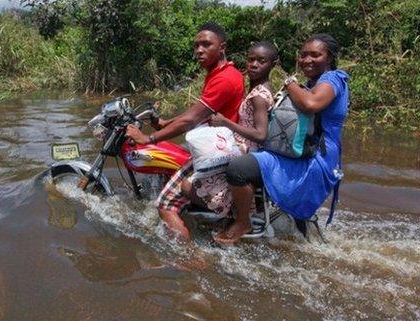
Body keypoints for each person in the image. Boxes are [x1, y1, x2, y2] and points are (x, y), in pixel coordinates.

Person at [216, 33, 349, 245]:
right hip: (303, 150)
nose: (307, 60)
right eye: (304, 55)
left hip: (316, 158)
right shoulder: (314, 81)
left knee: (238, 168)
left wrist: (290, 84)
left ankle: (242, 222)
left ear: (330, 58)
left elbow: (311, 104)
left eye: (315, 55)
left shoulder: (333, 79)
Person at [126, 22, 244, 241]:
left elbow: (191, 120)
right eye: (197, 45)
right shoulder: (219, 72)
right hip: (215, 142)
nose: (199, 50)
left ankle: (188, 260)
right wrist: (166, 122)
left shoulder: (224, 78)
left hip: (218, 149)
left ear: (222, 47)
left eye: (206, 44)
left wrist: (148, 138)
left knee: (165, 204)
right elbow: (199, 113)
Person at [181, 41, 278, 217]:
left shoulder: (259, 96)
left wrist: (226, 122)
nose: (254, 65)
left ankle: (226, 211)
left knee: (188, 186)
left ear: (273, 64)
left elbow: (261, 134)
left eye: (261, 61)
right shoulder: (258, 89)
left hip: (246, 150)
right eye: (251, 60)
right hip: (241, 146)